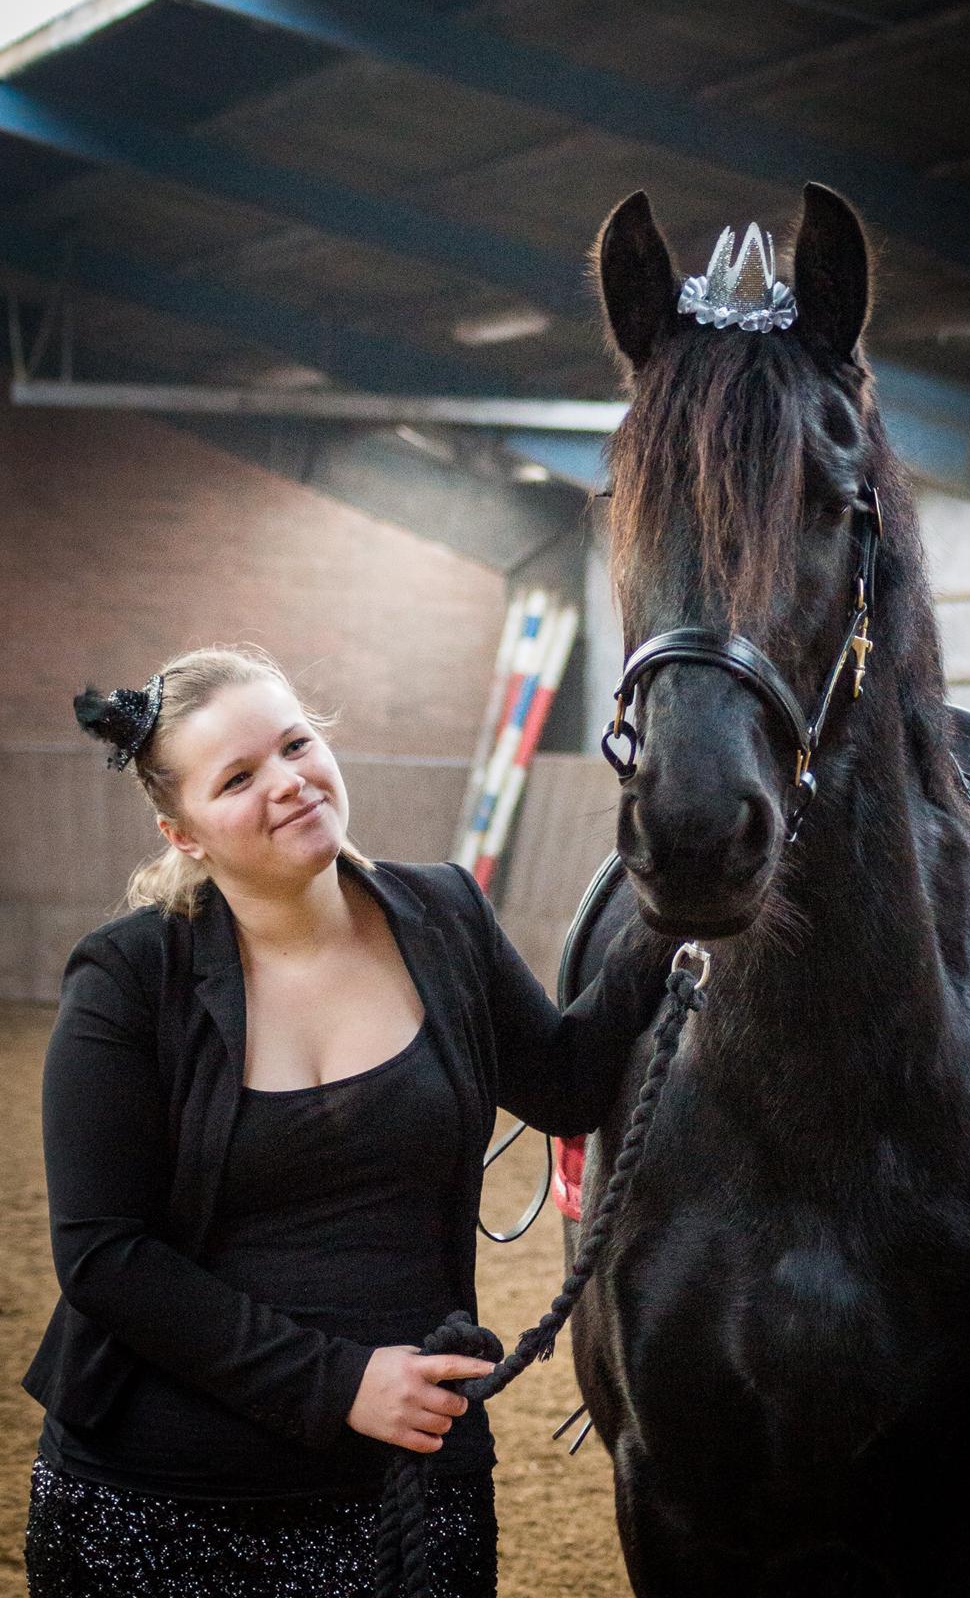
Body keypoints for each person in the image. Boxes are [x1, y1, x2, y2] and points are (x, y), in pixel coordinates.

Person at [20, 644, 665, 1598]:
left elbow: (567, 1086)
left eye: (293, 745)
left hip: (408, 1490)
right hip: (163, 1499)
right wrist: (340, 1385)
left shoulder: (443, 913)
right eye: (238, 778)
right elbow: (105, 1255)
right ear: (182, 831)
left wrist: (673, 899)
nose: (285, 783)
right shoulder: (125, 978)